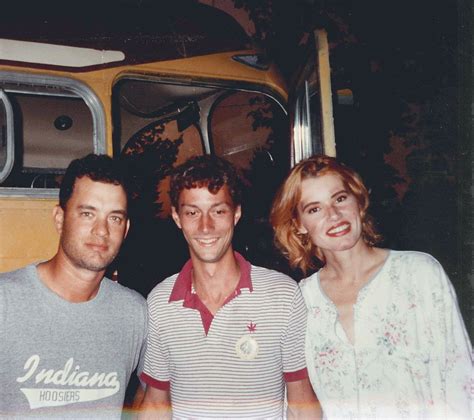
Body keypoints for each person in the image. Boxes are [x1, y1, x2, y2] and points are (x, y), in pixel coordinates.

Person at [270, 154, 473, 419]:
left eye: (340, 199)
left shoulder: (418, 274)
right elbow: (297, 400)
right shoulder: (301, 300)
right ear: (299, 225)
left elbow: (461, 382)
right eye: (314, 209)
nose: (333, 215)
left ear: (359, 201)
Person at [138, 155, 320, 419]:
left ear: (236, 213)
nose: (205, 226)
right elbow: (156, 404)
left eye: (218, 211)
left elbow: (301, 401)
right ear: (177, 217)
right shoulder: (160, 302)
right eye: (192, 212)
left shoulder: (282, 295)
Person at [0, 154, 147, 418]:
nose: (101, 231)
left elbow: (154, 392)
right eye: (87, 213)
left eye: (114, 218)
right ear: (59, 218)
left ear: (125, 230)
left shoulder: (135, 312)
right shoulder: (5, 302)